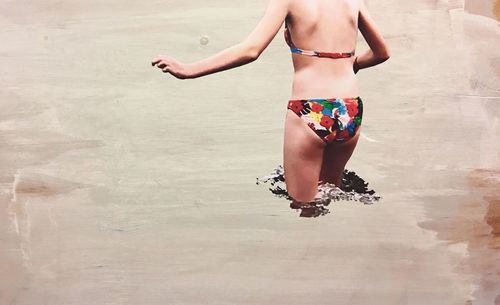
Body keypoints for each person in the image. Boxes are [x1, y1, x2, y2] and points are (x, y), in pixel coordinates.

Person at [151, 0, 390, 203]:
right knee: (329, 192)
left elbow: (251, 50)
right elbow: (382, 52)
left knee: (304, 208)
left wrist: (188, 69)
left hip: (310, 109)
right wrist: (352, 65)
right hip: (349, 109)